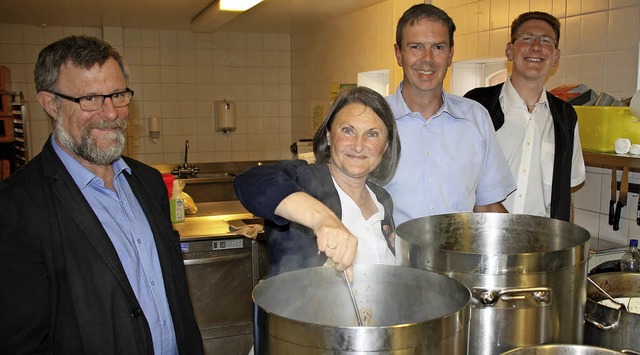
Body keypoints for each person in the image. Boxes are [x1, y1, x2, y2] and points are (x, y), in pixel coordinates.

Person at [0, 35, 203, 354]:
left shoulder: (147, 182)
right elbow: (21, 343)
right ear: (51, 104)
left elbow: (173, 297)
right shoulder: (16, 206)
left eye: (118, 95)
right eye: (90, 99)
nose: (111, 113)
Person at [234, 86, 401, 277]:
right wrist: (323, 219)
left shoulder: (382, 199)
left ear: (386, 145)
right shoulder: (305, 181)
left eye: (372, 134)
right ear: (329, 136)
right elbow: (251, 181)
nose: (358, 145)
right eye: (347, 130)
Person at [385, 4, 516, 226]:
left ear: (450, 55)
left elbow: (487, 206)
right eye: (416, 47)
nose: (427, 58)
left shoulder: (476, 119)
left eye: (438, 47)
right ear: (399, 54)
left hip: (458, 259)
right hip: (392, 260)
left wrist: (525, 248)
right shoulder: (374, 120)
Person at [464, 11, 586, 221]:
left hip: (542, 247)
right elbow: (458, 180)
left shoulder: (566, 118)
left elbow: (565, 197)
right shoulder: (476, 106)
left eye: (546, 40)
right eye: (527, 38)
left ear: (555, 56)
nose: (536, 46)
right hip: (482, 241)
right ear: (510, 51)